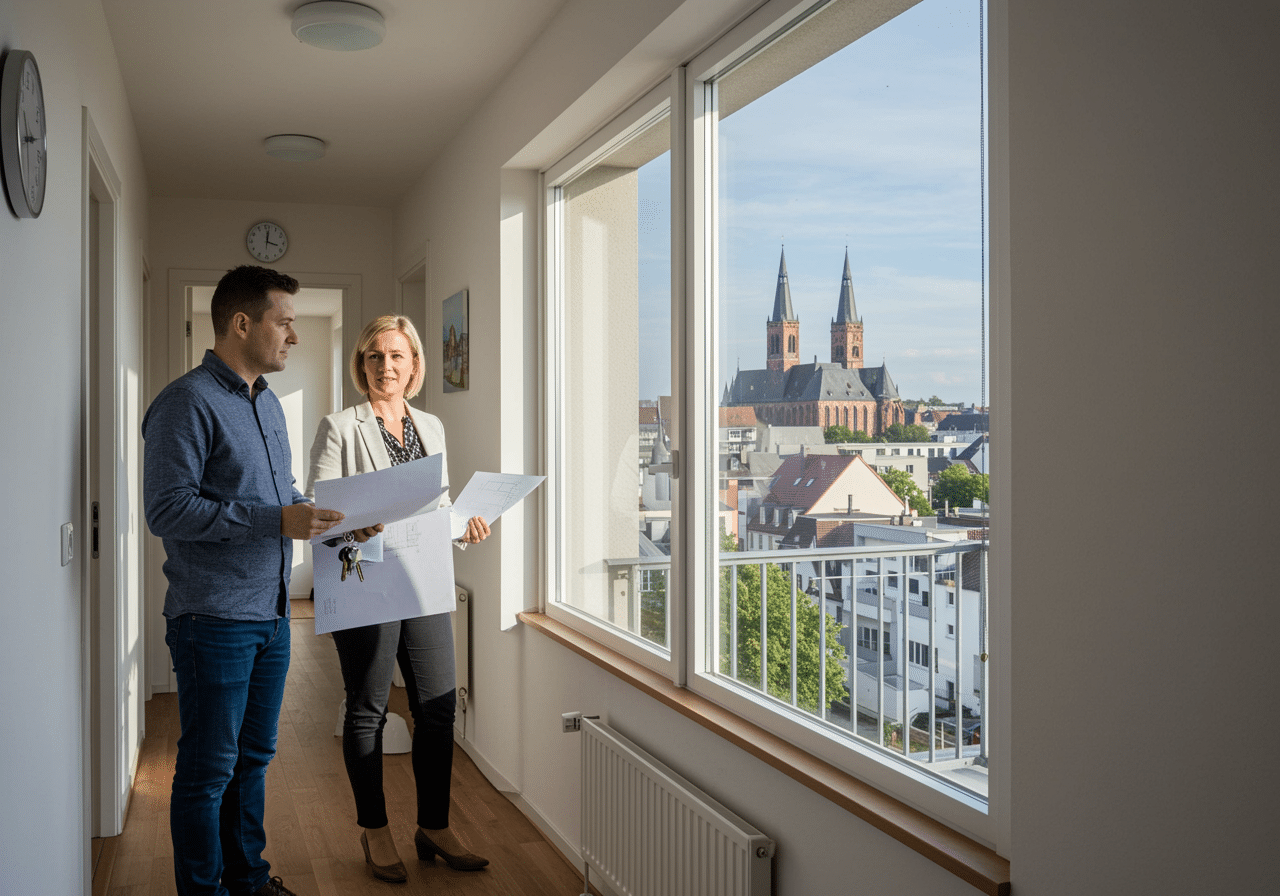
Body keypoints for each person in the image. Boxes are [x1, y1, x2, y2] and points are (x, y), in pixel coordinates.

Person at [143, 265, 345, 896]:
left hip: (272, 616)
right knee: (208, 771)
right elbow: (167, 508)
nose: (293, 335)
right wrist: (275, 519)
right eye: (283, 321)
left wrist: (319, 519)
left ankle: (249, 882)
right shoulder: (185, 402)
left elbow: (277, 497)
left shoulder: (271, 408)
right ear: (241, 323)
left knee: (253, 760)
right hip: (213, 621)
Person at [306, 314, 491, 884]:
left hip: (426, 579)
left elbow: (434, 507)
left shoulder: (431, 426)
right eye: (374, 357)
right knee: (368, 709)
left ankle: (434, 825)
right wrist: (353, 525)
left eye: (397, 356)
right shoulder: (340, 426)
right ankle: (375, 829)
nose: (386, 366)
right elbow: (319, 512)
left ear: (415, 365)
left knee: (437, 707)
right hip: (367, 583)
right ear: (361, 366)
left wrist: (463, 524)